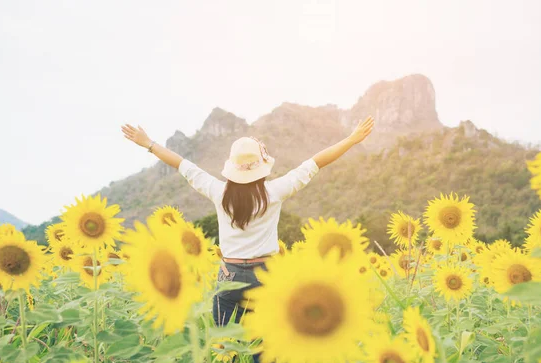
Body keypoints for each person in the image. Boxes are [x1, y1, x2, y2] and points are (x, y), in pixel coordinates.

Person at [121, 115, 374, 329]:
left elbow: (182, 164)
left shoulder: (218, 192)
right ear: (261, 167)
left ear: (232, 168)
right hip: (265, 274)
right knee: (262, 351)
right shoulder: (274, 193)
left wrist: (148, 143)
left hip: (229, 275)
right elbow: (316, 162)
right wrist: (351, 139)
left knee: (225, 349)